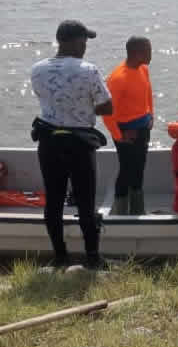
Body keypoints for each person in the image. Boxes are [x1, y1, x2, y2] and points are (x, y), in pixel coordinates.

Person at [30, 20, 112, 269]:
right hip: (78, 143)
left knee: (53, 200)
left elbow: (46, 100)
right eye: (84, 41)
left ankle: (60, 256)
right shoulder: (88, 70)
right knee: (86, 200)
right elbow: (107, 106)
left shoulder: (37, 69)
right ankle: (92, 257)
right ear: (74, 41)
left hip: (48, 141)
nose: (85, 45)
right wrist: (86, 106)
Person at [102, 36, 154, 216]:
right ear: (137, 53)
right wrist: (119, 136)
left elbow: (148, 92)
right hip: (126, 132)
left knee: (139, 168)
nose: (151, 54)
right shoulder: (118, 78)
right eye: (149, 50)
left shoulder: (143, 69)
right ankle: (121, 212)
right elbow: (107, 113)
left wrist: (151, 115)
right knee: (126, 169)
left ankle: (138, 210)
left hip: (143, 128)